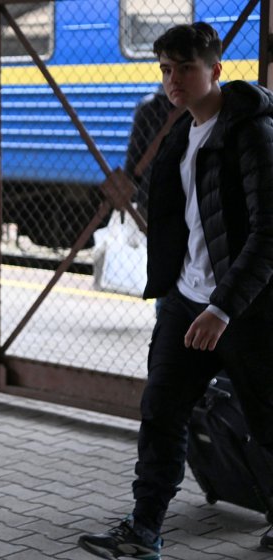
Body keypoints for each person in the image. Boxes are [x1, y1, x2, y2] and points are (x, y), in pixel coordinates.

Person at [78, 22, 273, 559]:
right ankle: (143, 532)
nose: (173, 80)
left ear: (215, 70)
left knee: (266, 421)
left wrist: (223, 306)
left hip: (245, 312)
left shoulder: (252, 134)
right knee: (161, 413)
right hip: (185, 304)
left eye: (185, 68)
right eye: (165, 69)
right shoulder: (181, 134)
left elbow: (268, 235)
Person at [123, 85, 175, 220]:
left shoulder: (150, 107)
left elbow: (134, 152)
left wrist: (129, 188)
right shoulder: (202, 107)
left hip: (151, 193)